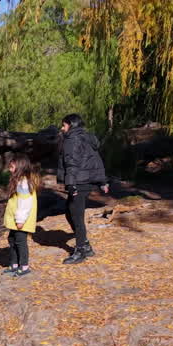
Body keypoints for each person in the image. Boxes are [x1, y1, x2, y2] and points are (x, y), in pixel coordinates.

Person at [56, 113, 109, 265]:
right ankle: (85, 244)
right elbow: (96, 161)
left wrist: (71, 184)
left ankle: (80, 251)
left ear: (71, 125)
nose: (62, 128)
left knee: (76, 216)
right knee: (70, 212)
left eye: (64, 125)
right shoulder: (86, 137)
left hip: (79, 182)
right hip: (84, 182)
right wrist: (102, 181)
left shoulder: (72, 139)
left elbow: (71, 163)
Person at [2, 155, 41, 277]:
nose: (10, 169)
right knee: (12, 240)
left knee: (20, 242)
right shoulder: (19, 181)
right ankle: (14, 264)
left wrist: (20, 220)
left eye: (12, 167)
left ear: (20, 167)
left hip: (21, 219)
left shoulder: (24, 184)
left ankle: (24, 266)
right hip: (15, 219)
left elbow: (25, 203)